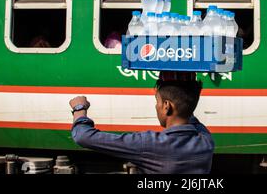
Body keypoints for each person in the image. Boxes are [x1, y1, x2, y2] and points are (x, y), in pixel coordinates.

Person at [69, 71, 214, 174]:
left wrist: (79, 108)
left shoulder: (148, 144)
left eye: (157, 102)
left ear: (166, 106)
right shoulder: (205, 139)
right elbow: (190, 112)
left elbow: (83, 136)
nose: (156, 106)